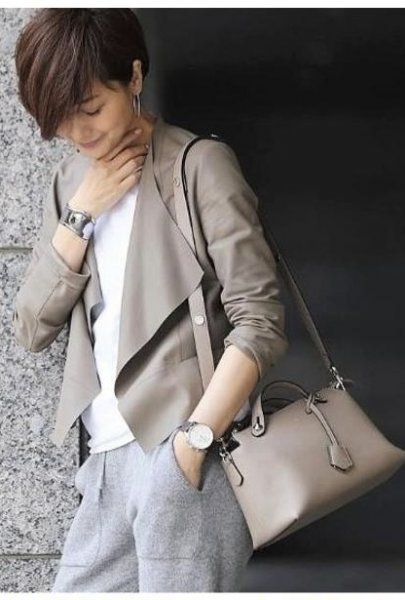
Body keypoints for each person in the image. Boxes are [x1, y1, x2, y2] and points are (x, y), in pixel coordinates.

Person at [12, 8, 289, 593]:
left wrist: (191, 446)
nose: (78, 131)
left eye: (90, 108)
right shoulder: (70, 184)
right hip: (104, 465)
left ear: (134, 76)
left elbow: (260, 320)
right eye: (60, 118)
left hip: (184, 453)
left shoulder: (199, 167)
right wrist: (80, 214)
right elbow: (32, 328)